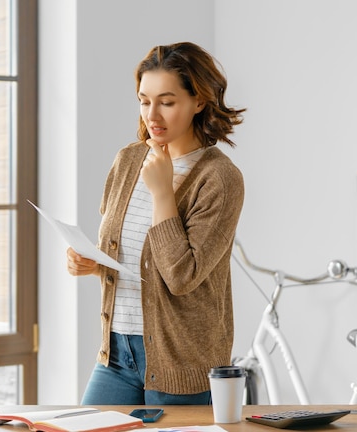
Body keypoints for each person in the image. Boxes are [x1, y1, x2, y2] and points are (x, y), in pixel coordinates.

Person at [66, 41, 245, 405]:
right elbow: (130, 256)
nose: (153, 115)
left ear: (199, 101)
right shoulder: (129, 160)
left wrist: (163, 193)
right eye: (144, 101)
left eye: (167, 101)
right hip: (116, 354)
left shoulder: (219, 178)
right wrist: (91, 263)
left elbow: (180, 276)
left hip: (183, 363)